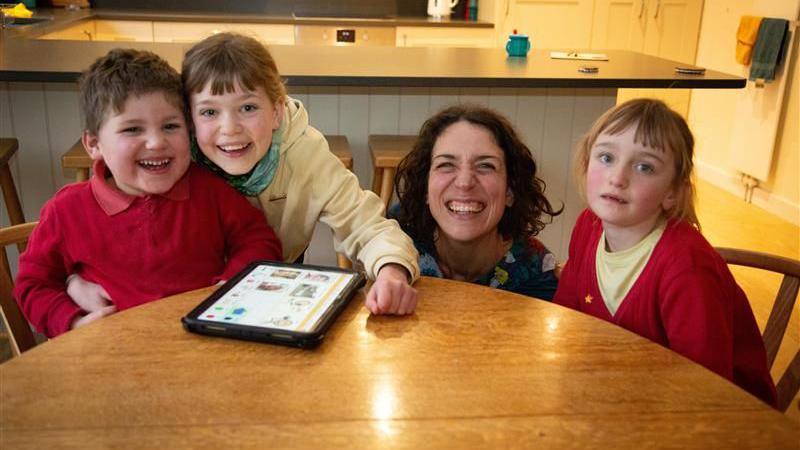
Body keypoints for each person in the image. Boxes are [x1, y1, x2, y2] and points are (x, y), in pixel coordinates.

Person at [14, 48, 282, 338]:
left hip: (205, 349)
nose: (156, 142)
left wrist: (230, 285)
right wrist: (73, 322)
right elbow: (33, 285)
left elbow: (258, 239)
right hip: (114, 356)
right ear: (93, 144)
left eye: (170, 126)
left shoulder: (210, 190)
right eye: (132, 129)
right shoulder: (67, 211)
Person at [553, 99, 777, 407]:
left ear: (673, 192)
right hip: (622, 395)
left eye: (644, 166)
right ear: (585, 165)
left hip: (719, 419)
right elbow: (566, 316)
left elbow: (704, 389)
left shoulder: (686, 267)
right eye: (606, 157)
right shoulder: (587, 227)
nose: (617, 178)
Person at [182, 32, 419, 315]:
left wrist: (391, 269)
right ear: (189, 118)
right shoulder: (178, 159)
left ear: (277, 112)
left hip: (277, 278)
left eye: (248, 107)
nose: (230, 128)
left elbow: (366, 225)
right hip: (189, 287)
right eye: (209, 112)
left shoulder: (306, 156)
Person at [392, 105, 561, 300]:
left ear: (510, 191)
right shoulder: (394, 240)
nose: (464, 183)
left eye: (485, 166)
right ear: (425, 189)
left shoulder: (534, 272)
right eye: (446, 165)